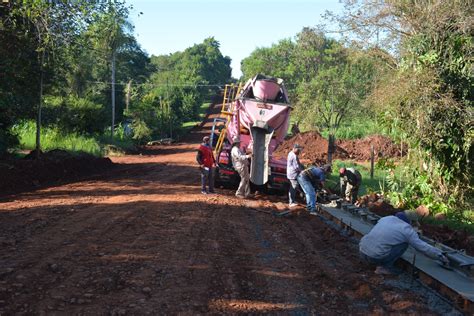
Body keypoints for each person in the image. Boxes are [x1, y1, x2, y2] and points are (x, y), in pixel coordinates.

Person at [359, 211, 449, 275]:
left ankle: (370, 263)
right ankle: (384, 267)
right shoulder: (407, 230)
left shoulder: (386, 219)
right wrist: (440, 256)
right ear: (410, 222)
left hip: (362, 251)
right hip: (375, 257)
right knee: (404, 244)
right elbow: (422, 247)